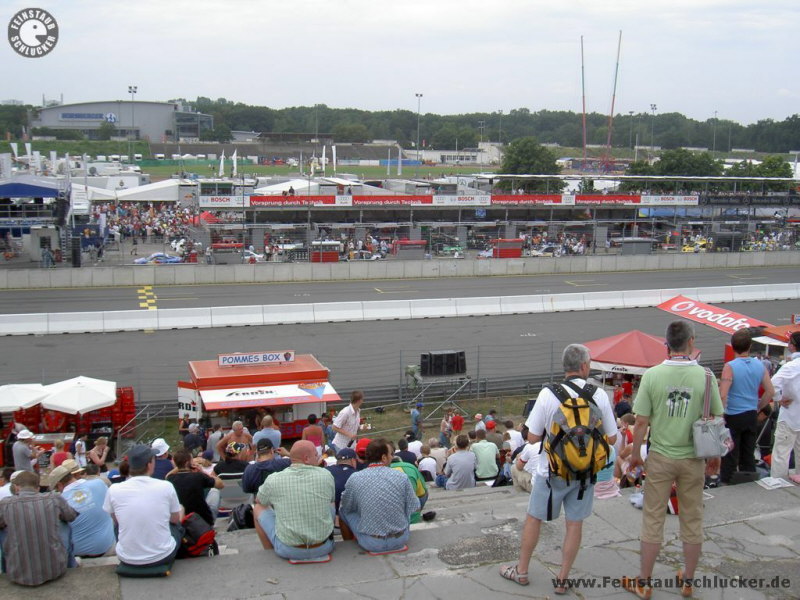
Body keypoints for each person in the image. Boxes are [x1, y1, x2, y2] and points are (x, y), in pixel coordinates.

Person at [500, 343, 617, 594]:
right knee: (574, 524)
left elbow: (532, 438)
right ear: (584, 366)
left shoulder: (548, 394)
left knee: (535, 518)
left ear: (565, 367)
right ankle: (563, 579)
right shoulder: (597, 395)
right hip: (585, 473)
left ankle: (521, 571)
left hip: (550, 472)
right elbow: (613, 438)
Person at [625, 321, 723, 599]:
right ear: (691, 341)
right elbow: (715, 418)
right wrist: (715, 455)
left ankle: (644, 582)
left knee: (653, 518)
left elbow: (641, 422)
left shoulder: (653, 375)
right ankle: (688, 581)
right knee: (692, 518)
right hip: (693, 457)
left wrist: (635, 456)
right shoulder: (706, 376)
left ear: (665, 344)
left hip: (661, 455)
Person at [252, 440, 336, 561]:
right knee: (331, 502)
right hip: (323, 547)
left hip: (288, 550)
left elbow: (259, 500)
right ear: (306, 458)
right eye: (315, 455)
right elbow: (331, 500)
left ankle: (269, 551)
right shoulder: (326, 475)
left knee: (258, 508)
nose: (318, 458)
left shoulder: (274, 479)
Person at [103, 444, 184, 569]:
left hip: (126, 557)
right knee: (179, 515)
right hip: (162, 555)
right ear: (149, 464)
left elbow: (116, 521)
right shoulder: (166, 486)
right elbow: (174, 520)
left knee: (118, 525)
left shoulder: (114, 489)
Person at [339, 439, 420, 553]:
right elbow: (415, 507)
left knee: (342, 510)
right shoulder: (401, 476)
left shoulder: (355, 478)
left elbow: (346, 507)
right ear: (383, 458)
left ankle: (347, 544)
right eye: (391, 454)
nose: (392, 457)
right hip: (400, 540)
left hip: (371, 543)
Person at [0, 471, 78, 586]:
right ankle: (72, 565)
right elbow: (71, 516)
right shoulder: (54, 498)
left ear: (17, 487)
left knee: (3, 529)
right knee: (64, 524)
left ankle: (6, 569)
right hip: (54, 570)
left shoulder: (5, 504)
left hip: (16, 573)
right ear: (37, 487)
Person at [719, 329, 775, 484]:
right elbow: (770, 391)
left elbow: (723, 394)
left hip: (733, 415)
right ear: (750, 346)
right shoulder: (759, 365)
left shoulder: (730, 366)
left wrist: (720, 414)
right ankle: (749, 483)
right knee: (748, 453)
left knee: (730, 453)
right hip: (750, 414)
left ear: (732, 346)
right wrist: (758, 406)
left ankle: (727, 484)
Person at [49, 462, 116, 558]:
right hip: (108, 547)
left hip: (78, 554)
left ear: (59, 485)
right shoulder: (100, 483)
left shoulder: (59, 500)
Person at [769, 331, 800, 483]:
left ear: (792, 346)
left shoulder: (791, 366)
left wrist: (779, 398)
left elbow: (773, 383)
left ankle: (778, 482)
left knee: (782, 452)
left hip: (789, 414)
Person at [166, 449, 224, 526]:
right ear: (188, 463)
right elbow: (220, 485)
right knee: (215, 491)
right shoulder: (199, 476)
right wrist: (203, 471)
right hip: (204, 521)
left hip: (182, 520)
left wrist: (179, 465)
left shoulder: (171, 479)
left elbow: (167, 476)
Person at [325, 447, 358, 514]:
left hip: (328, 512)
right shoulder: (357, 475)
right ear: (353, 460)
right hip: (346, 515)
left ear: (337, 461)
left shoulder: (326, 470)